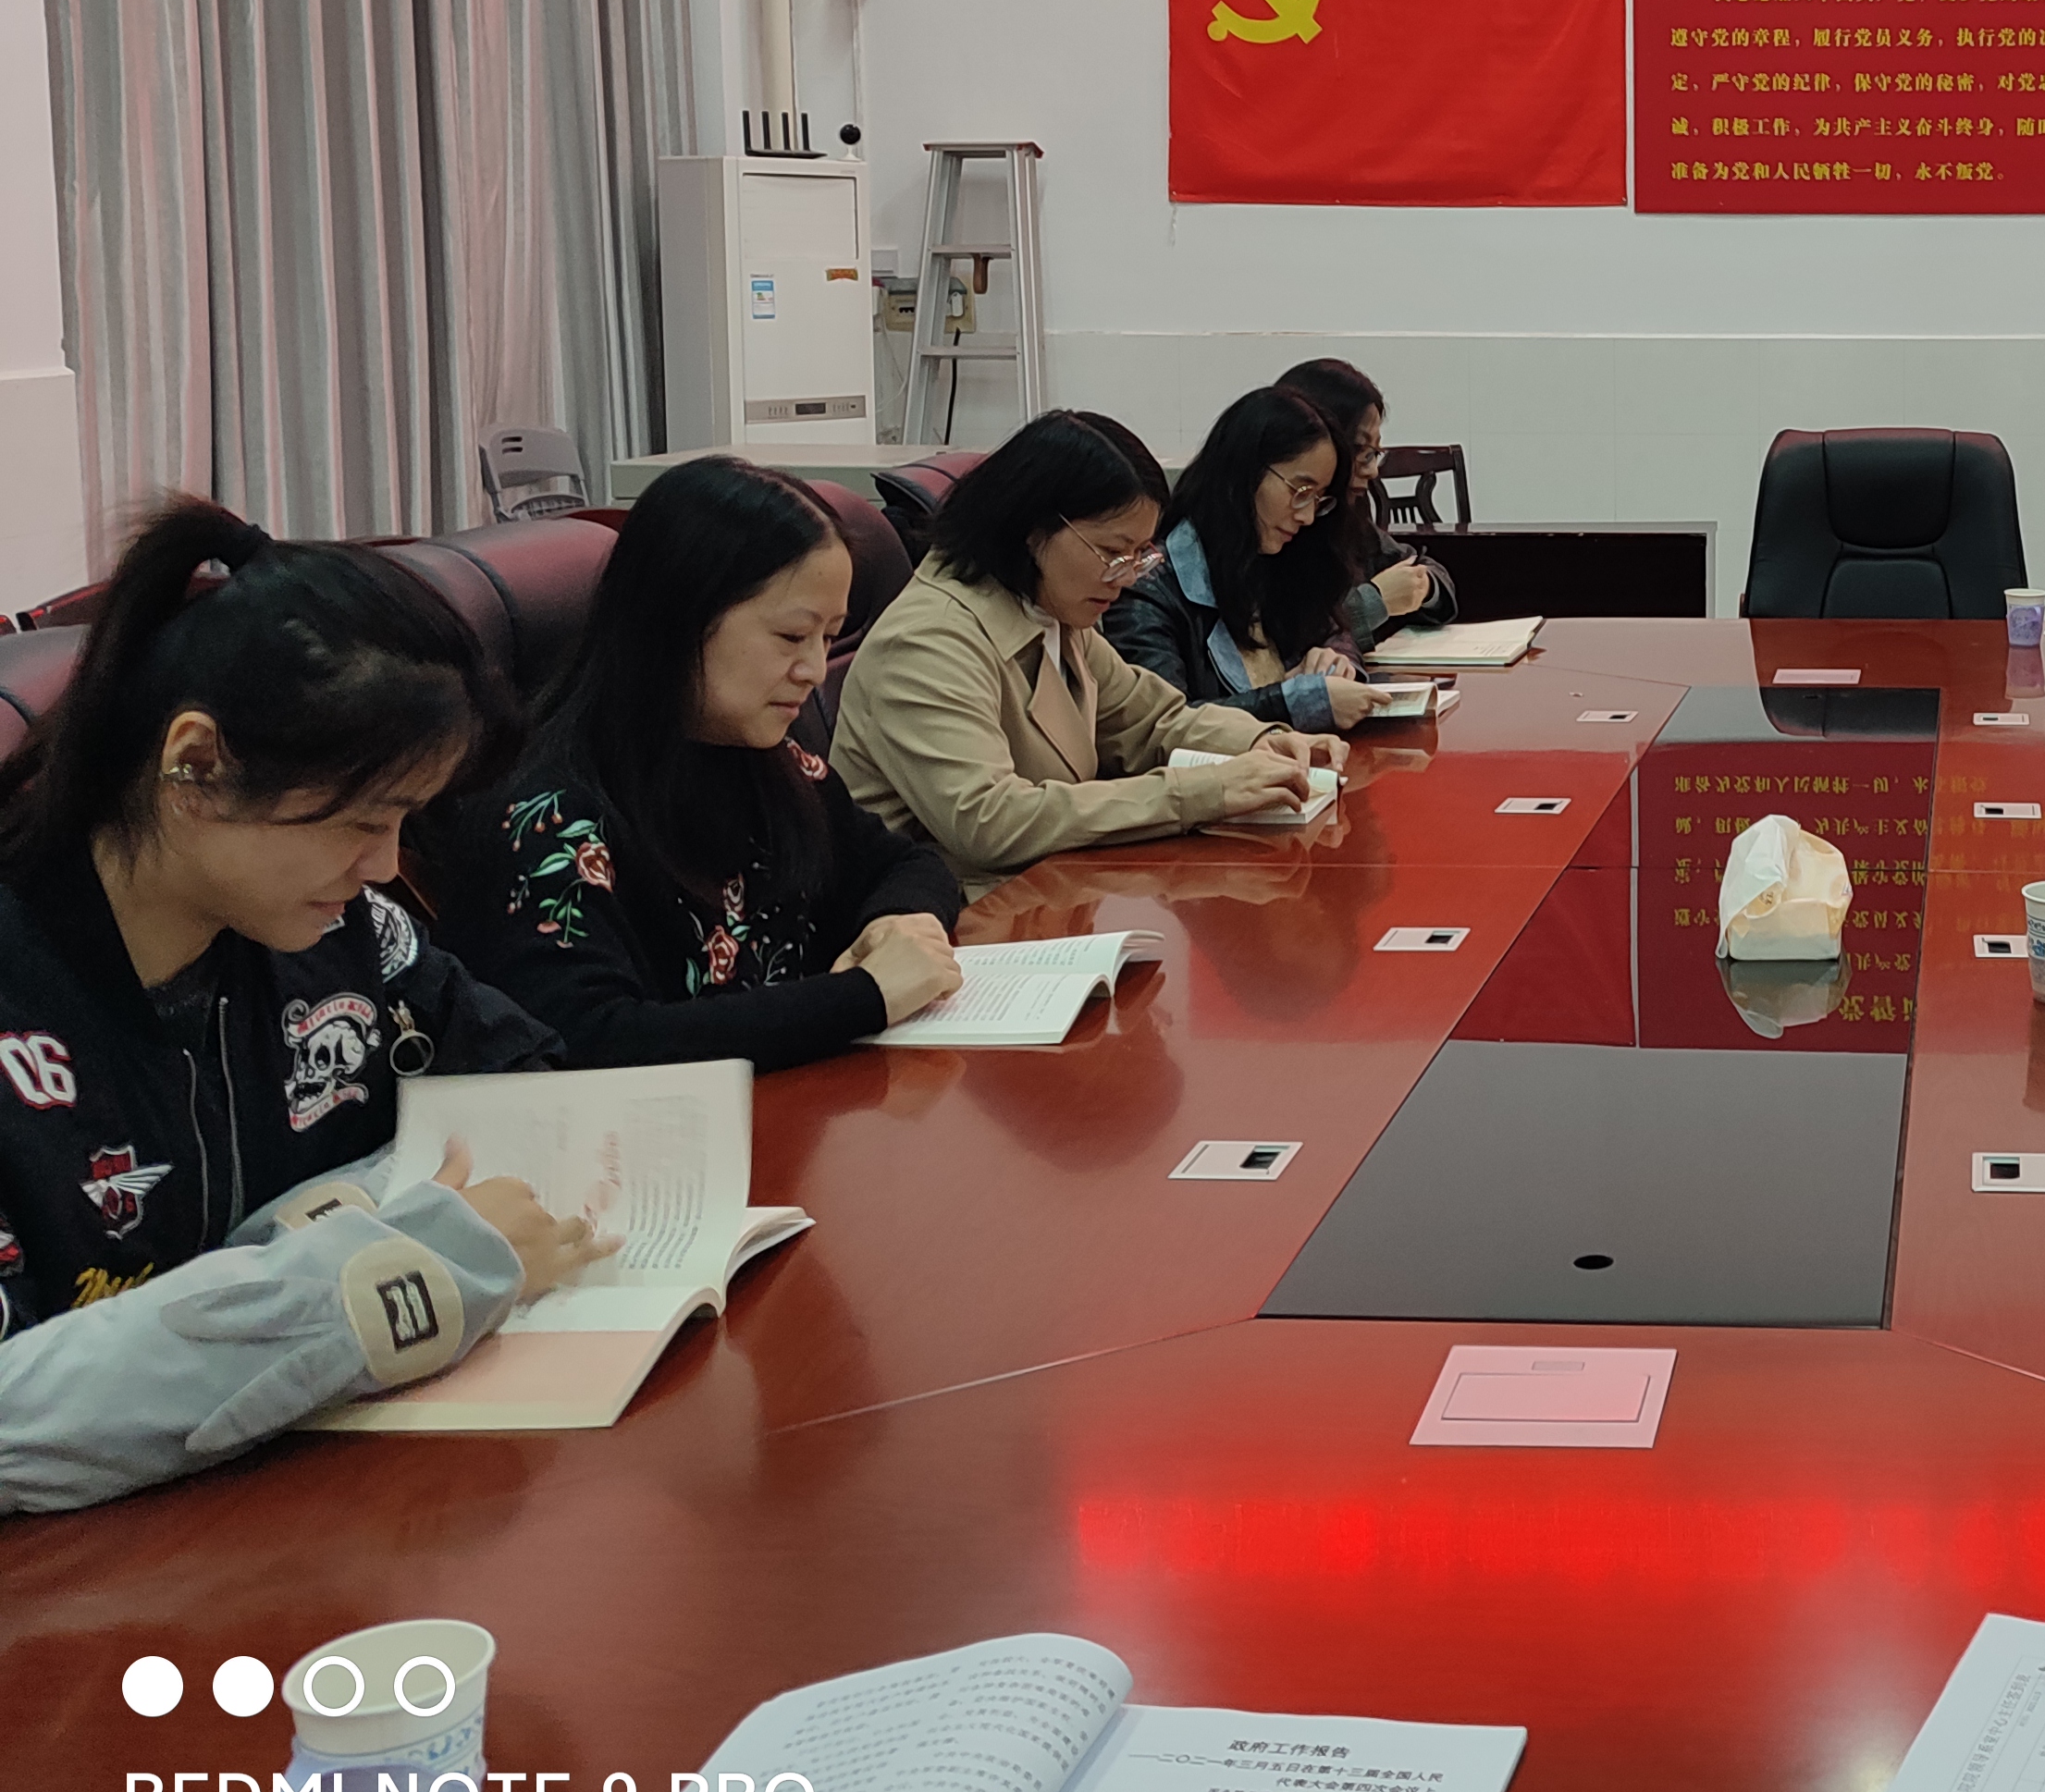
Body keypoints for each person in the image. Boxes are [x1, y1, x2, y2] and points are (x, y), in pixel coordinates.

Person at [0, 504, 613, 1514]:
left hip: (316, 1493)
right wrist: (404, 1263)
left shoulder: (341, 931)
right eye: (361, 822)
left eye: (404, 821)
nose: (384, 867)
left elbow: (522, 1078)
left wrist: (316, 1236)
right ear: (197, 767)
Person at [438, 457, 968, 1071]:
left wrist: (898, 923)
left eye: (829, 637)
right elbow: (589, 1041)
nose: (815, 670)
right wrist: (865, 997)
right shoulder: (546, 819)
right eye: (792, 637)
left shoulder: (768, 761)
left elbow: (907, 863)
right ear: (680, 618)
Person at [832, 411, 1339, 888]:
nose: (1128, 576)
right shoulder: (928, 642)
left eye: (1139, 555)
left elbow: (1150, 720)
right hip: (958, 914)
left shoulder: (1051, 606)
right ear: (1032, 531)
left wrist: (1260, 742)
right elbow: (990, 821)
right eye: (1113, 552)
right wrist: (1207, 791)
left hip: (1044, 890)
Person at [1105, 387, 1378, 731]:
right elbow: (1166, 725)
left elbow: (1334, 630)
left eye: (1319, 499)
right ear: (1243, 473)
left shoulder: (1281, 555)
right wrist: (1294, 702)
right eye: (1301, 491)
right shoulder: (1151, 588)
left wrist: (1335, 660)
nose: (1308, 516)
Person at [1273, 357, 1455, 651]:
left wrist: (1422, 585)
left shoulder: (1345, 512)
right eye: (1361, 451)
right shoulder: (1274, 527)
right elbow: (1290, 638)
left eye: (1375, 453)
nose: (1372, 471)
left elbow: (1413, 562)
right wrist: (1377, 601)